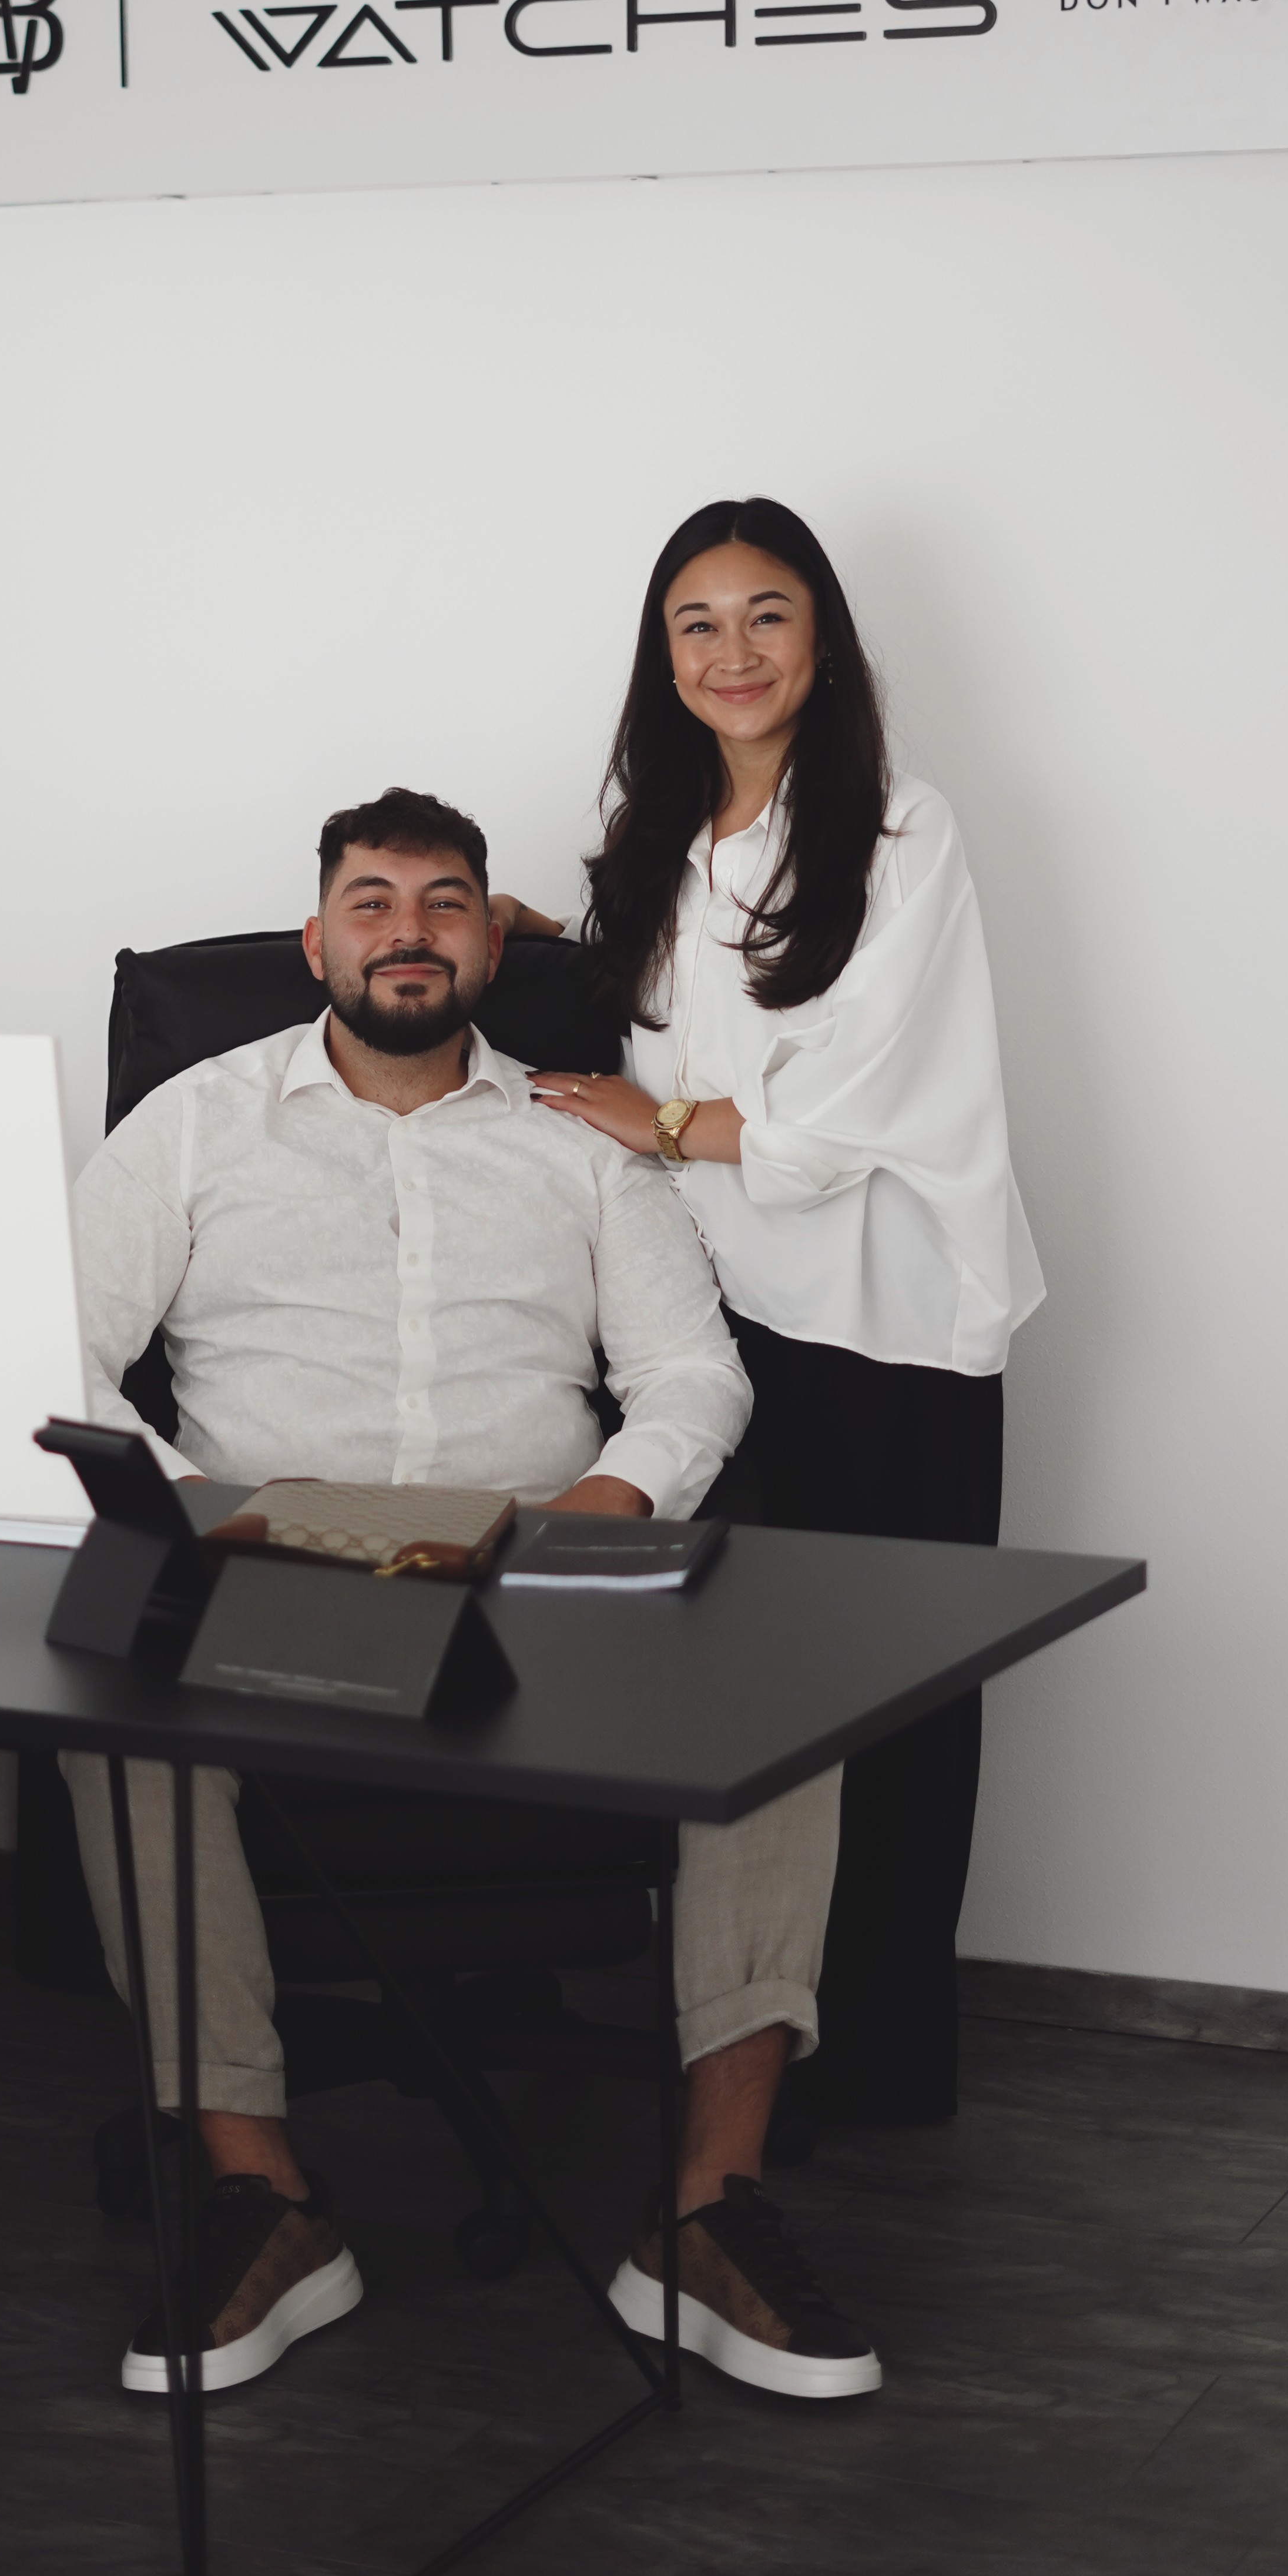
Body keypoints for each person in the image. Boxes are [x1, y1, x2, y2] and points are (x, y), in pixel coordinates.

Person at [61, 786, 879, 2408]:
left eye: (446, 904)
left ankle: (707, 2215)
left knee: (788, 1711)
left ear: (492, 943)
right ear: (318, 940)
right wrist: (190, 1513)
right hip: (269, 1564)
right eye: (373, 901)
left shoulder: (584, 1137)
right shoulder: (197, 1124)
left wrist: (589, 1517)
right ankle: (263, 2194)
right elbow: (60, 1349)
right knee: (108, 1712)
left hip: (537, 1569)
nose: (408, 932)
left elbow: (690, 1382)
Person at [495, 501, 1044, 2134]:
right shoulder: (660, 836)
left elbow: (855, 1103)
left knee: (890, 1692)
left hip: (879, 1326)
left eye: (767, 617)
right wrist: (550, 943)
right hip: (713, 1323)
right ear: (663, 658)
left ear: (823, 640)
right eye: (697, 625)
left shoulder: (897, 831)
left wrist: (663, 1127)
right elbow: (662, 1018)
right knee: (735, 1690)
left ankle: (878, 2057)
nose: (732, 655)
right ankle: (743, 2040)